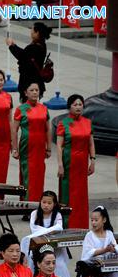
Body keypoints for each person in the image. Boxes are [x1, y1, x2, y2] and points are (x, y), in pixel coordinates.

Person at [55, 95, 95, 229]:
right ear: (69, 107)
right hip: (68, 163)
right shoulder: (63, 123)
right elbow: (59, 146)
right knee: (68, 193)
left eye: (80, 104)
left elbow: (90, 143)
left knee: (81, 194)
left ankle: (81, 224)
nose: (78, 107)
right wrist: (60, 164)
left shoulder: (87, 122)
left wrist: (93, 160)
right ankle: (66, 224)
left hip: (82, 163)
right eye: (75, 104)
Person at [11, 82, 51, 203]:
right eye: (32, 90)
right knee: (28, 174)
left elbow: (48, 129)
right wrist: (14, 149)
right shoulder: (21, 109)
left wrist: (48, 147)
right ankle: (27, 204)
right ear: (25, 93)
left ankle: (38, 203)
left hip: (40, 146)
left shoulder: (44, 109)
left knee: (39, 175)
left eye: (36, 90)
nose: (34, 92)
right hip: (27, 146)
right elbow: (14, 130)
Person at [6, 22, 51, 103]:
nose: (31, 32)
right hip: (36, 80)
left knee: (28, 106)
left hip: (29, 81)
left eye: (32, 30)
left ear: (37, 32)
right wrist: (14, 45)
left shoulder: (34, 47)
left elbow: (22, 56)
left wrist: (11, 46)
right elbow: (26, 54)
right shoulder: (42, 44)